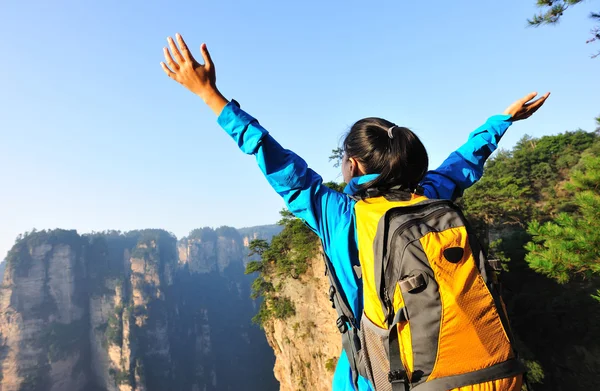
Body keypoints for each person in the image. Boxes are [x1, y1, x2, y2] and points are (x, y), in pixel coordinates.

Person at [160, 33, 549, 391]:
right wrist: (502, 122)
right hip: (470, 366)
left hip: (379, 375)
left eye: (345, 158)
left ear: (355, 166)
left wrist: (209, 94)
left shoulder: (339, 215)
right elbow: (464, 161)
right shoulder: (430, 194)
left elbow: (274, 159)